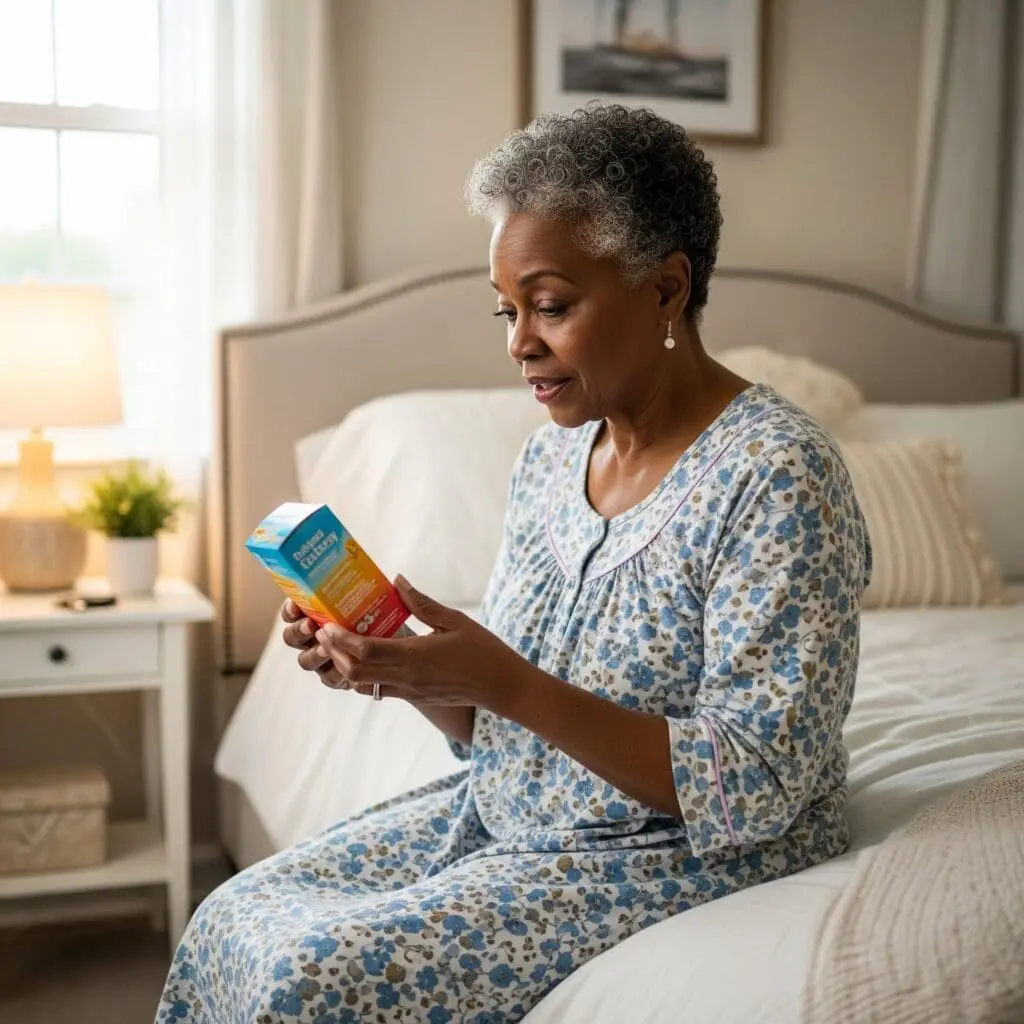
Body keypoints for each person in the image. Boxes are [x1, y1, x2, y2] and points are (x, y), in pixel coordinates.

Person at [157, 103, 871, 1023]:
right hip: (510, 812)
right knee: (235, 914)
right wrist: (396, 667)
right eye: (508, 310)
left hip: (673, 847)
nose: (518, 343)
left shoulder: (776, 475)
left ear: (664, 288)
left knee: (309, 979)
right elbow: (497, 722)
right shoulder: (550, 459)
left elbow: (758, 782)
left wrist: (508, 682)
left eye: (551, 305)